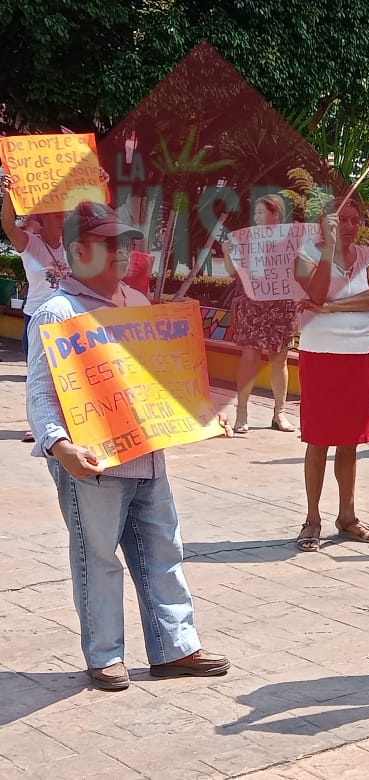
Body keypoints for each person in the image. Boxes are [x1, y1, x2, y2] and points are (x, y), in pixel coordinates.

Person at [26, 201, 229, 691]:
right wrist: (59, 447)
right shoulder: (57, 313)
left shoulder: (135, 305)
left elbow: (157, 379)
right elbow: (40, 392)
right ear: (77, 250)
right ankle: (104, 654)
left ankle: (176, 648)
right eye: (108, 244)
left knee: (163, 548)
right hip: (91, 462)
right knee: (96, 557)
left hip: (146, 453)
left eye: (124, 244)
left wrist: (195, 410)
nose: (121, 253)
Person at [294, 197, 369, 552]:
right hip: (321, 355)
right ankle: (312, 519)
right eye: (342, 220)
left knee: (350, 439)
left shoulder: (366, 255)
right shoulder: (307, 254)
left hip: (359, 355)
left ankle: (347, 517)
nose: (349, 226)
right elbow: (315, 291)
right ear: (325, 222)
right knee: (318, 438)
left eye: (354, 220)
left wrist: (332, 306)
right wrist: (329, 248)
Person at [222, 194, 298, 434]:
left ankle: (280, 413)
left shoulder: (290, 240)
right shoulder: (246, 240)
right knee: (249, 358)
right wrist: (226, 253)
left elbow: (300, 270)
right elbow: (233, 273)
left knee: (279, 359)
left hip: (281, 305)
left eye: (261, 212)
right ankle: (241, 411)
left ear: (276, 214)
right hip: (252, 304)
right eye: (255, 213)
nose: (256, 217)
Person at [2, 172, 69, 443]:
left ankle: (66, 421)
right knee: (39, 375)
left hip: (67, 319)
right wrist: (8, 192)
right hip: (37, 319)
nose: (62, 222)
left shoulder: (74, 247)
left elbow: (103, 223)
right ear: (44, 219)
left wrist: (99, 185)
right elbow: (8, 226)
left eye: (64, 217)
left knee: (65, 374)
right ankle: (39, 423)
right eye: (56, 217)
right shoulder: (31, 245)